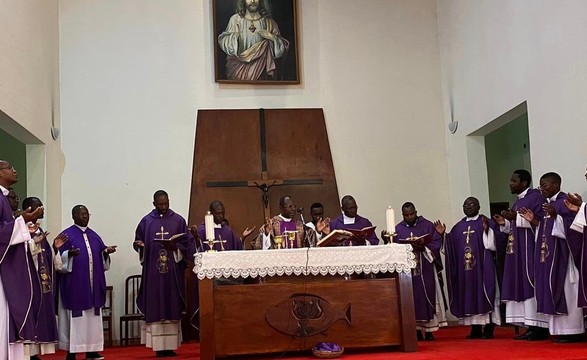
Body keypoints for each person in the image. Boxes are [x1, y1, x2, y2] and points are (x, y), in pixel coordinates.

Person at [520, 173, 584, 343]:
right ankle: (560, 331)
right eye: (540, 185)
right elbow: (546, 231)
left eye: (545, 185)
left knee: (567, 293)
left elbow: (575, 228)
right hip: (549, 258)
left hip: (563, 259)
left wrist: (558, 216)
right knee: (553, 290)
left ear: (556, 185)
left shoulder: (564, 202)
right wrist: (534, 221)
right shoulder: (548, 205)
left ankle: (574, 331)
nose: (541, 189)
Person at [134, 190, 195, 358]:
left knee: (171, 306)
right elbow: (138, 241)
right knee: (156, 306)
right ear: (154, 203)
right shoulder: (147, 222)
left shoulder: (178, 220)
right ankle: (158, 347)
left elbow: (187, 244)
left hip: (172, 275)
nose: (164, 206)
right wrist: (140, 245)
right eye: (160, 204)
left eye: (166, 203)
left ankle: (170, 346)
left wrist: (175, 248)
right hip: (154, 275)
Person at [492, 169, 549, 340]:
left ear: (524, 183)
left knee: (530, 284)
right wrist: (505, 222)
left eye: (514, 180)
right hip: (517, 252)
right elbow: (515, 228)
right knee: (521, 285)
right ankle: (530, 325)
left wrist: (515, 219)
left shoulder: (535, 197)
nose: (510, 183)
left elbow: (541, 222)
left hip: (530, 251)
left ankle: (539, 327)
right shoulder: (521, 201)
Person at [436, 197, 501, 339]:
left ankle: (489, 328)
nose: (468, 207)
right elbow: (450, 248)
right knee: (470, 297)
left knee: (486, 293)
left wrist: (487, 231)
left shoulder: (486, 222)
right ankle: (475, 329)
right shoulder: (458, 227)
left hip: (483, 269)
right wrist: (443, 237)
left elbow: (494, 245)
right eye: (465, 205)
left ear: (479, 206)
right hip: (466, 271)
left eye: (472, 205)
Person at [57, 205, 116, 360]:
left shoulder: (94, 236)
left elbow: (102, 261)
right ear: (74, 216)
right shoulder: (66, 235)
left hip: (93, 287)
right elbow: (56, 260)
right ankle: (72, 352)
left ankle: (92, 350)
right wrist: (67, 254)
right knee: (76, 320)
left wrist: (105, 252)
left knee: (92, 320)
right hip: (75, 286)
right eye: (81, 214)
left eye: (86, 214)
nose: (85, 217)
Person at [0, 160, 43, 360]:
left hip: (9, 269)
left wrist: (23, 226)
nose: (14, 170)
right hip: (3, 273)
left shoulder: (3, 197)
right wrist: (23, 221)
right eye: (10, 167)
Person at [386, 202, 446, 341]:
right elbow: (393, 250)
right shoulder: (397, 229)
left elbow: (436, 244)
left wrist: (423, 248)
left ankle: (430, 331)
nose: (409, 217)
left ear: (416, 212)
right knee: (411, 299)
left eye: (412, 214)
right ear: (402, 215)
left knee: (428, 297)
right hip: (408, 272)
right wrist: (388, 241)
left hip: (425, 269)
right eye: (406, 215)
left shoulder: (427, 225)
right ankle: (416, 331)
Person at [22, 197, 67, 360]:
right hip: (28, 282)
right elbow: (19, 255)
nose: (42, 208)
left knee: (41, 314)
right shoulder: (21, 229)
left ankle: (35, 353)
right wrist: (33, 243)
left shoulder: (40, 230)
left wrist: (54, 249)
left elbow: (46, 257)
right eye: (38, 206)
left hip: (43, 283)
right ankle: (28, 353)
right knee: (31, 314)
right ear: (28, 209)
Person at [218, 0, 289, 81]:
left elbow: (281, 50)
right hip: (238, 70)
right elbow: (223, 41)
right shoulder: (235, 20)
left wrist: (272, 38)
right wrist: (235, 36)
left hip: (261, 71)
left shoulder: (269, 22)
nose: (252, 1)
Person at [251, 195, 316, 249]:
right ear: (281, 208)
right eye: (290, 207)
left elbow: (310, 242)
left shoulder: (300, 225)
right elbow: (260, 246)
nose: (293, 209)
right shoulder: (272, 224)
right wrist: (267, 234)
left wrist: (317, 232)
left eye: (294, 206)